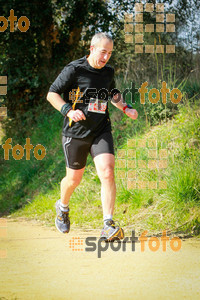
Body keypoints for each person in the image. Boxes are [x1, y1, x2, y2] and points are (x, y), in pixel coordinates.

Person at [47, 32, 138, 241]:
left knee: (107, 172)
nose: (106, 57)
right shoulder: (75, 69)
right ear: (92, 49)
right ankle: (62, 207)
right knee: (73, 179)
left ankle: (108, 224)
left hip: (101, 129)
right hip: (76, 132)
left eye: (110, 53)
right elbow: (52, 94)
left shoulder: (108, 72)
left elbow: (112, 92)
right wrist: (68, 111)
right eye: (103, 52)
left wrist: (125, 107)